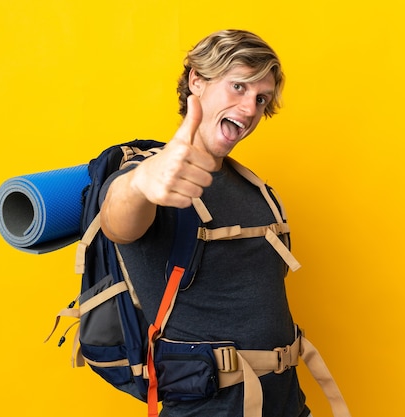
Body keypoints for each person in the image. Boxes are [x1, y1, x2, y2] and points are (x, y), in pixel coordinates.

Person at [99, 29, 310, 417]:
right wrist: (141, 183)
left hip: (287, 404)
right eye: (238, 86)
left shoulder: (256, 191)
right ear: (197, 80)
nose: (250, 109)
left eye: (260, 98)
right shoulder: (154, 174)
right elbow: (118, 222)